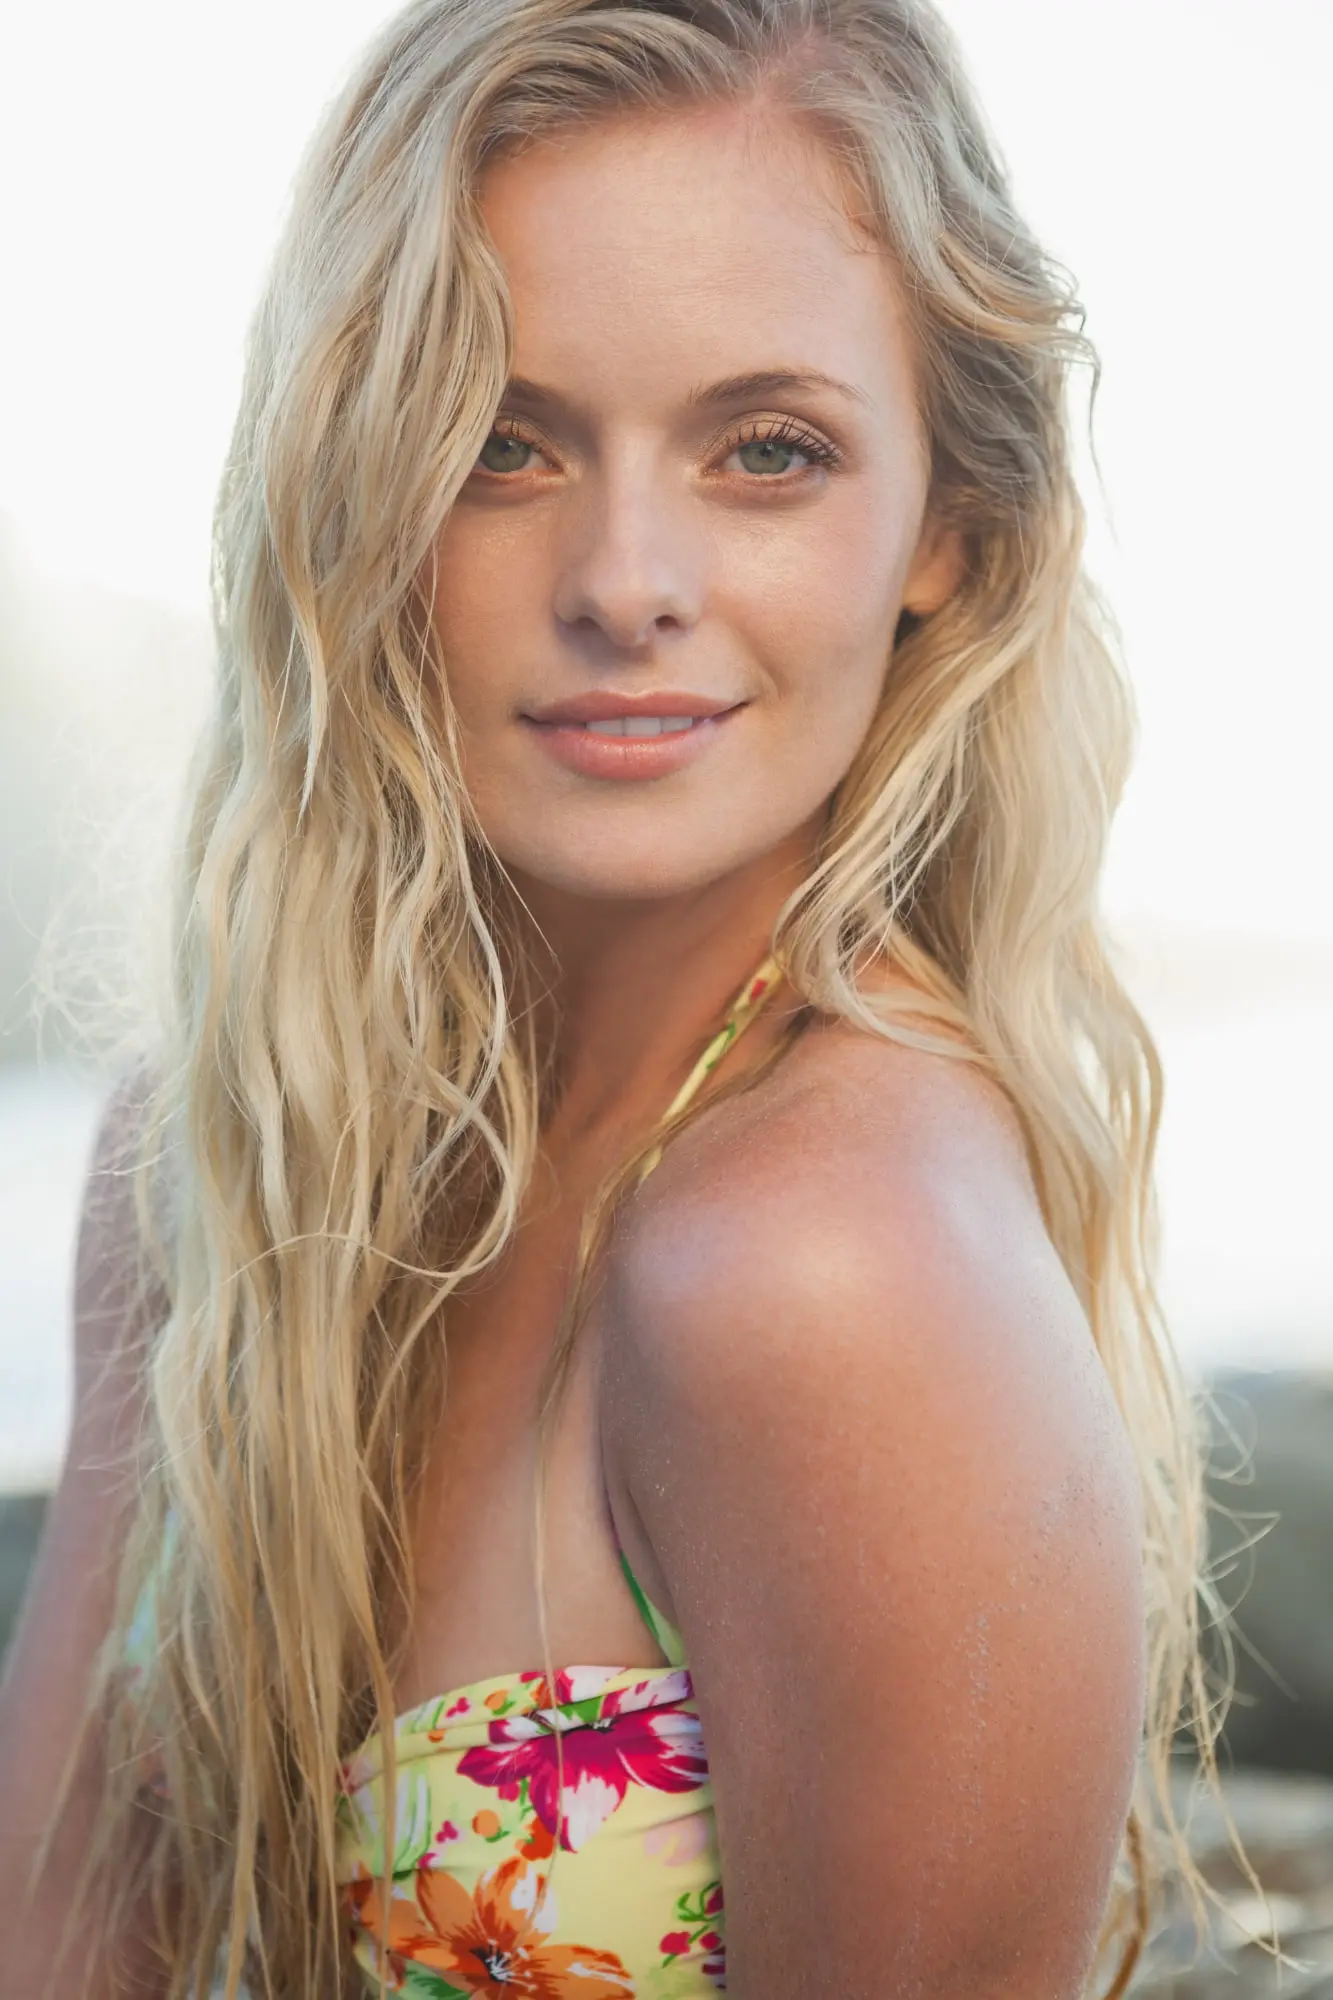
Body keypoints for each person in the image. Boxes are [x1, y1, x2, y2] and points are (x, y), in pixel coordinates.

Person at [0, 0, 1266, 1994]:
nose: (623, 576)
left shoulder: (822, 1260)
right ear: (360, 490)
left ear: (949, 522)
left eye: (767, 450)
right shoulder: (217, 1173)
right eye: (502, 443)